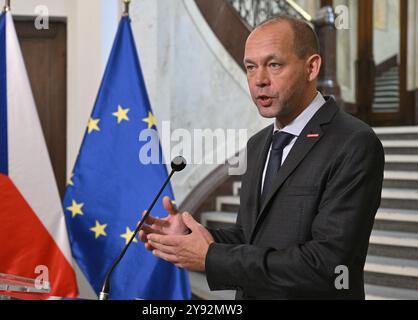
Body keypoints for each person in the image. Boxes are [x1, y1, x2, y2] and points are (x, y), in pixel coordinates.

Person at [139, 15, 385, 299]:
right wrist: (191, 237)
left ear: (311, 67)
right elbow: (251, 237)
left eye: (274, 65)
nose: (259, 80)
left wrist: (211, 258)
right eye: (251, 67)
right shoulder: (258, 145)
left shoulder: (354, 143)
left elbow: (326, 265)